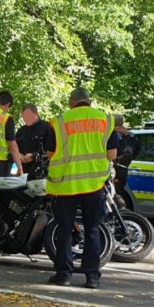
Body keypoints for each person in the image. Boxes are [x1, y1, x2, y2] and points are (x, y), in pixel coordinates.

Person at [44, 88, 117, 290]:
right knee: (93, 229)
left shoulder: (60, 121)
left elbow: (50, 153)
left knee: (65, 229)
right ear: (89, 101)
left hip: (65, 184)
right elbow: (111, 155)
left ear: (71, 102)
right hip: (94, 183)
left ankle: (64, 274)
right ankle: (92, 277)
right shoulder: (105, 120)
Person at [15, 103, 51, 180]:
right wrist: (18, 155)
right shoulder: (21, 131)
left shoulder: (47, 128)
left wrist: (34, 156)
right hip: (23, 172)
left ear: (36, 114)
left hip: (42, 172)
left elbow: (51, 150)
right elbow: (13, 148)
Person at [112, 113, 141, 193]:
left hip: (114, 168)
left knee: (112, 192)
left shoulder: (114, 135)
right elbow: (138, 150)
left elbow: (110, 150)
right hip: (125, 167)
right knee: (120, 191)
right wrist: (130, 159)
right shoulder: (132, 136)